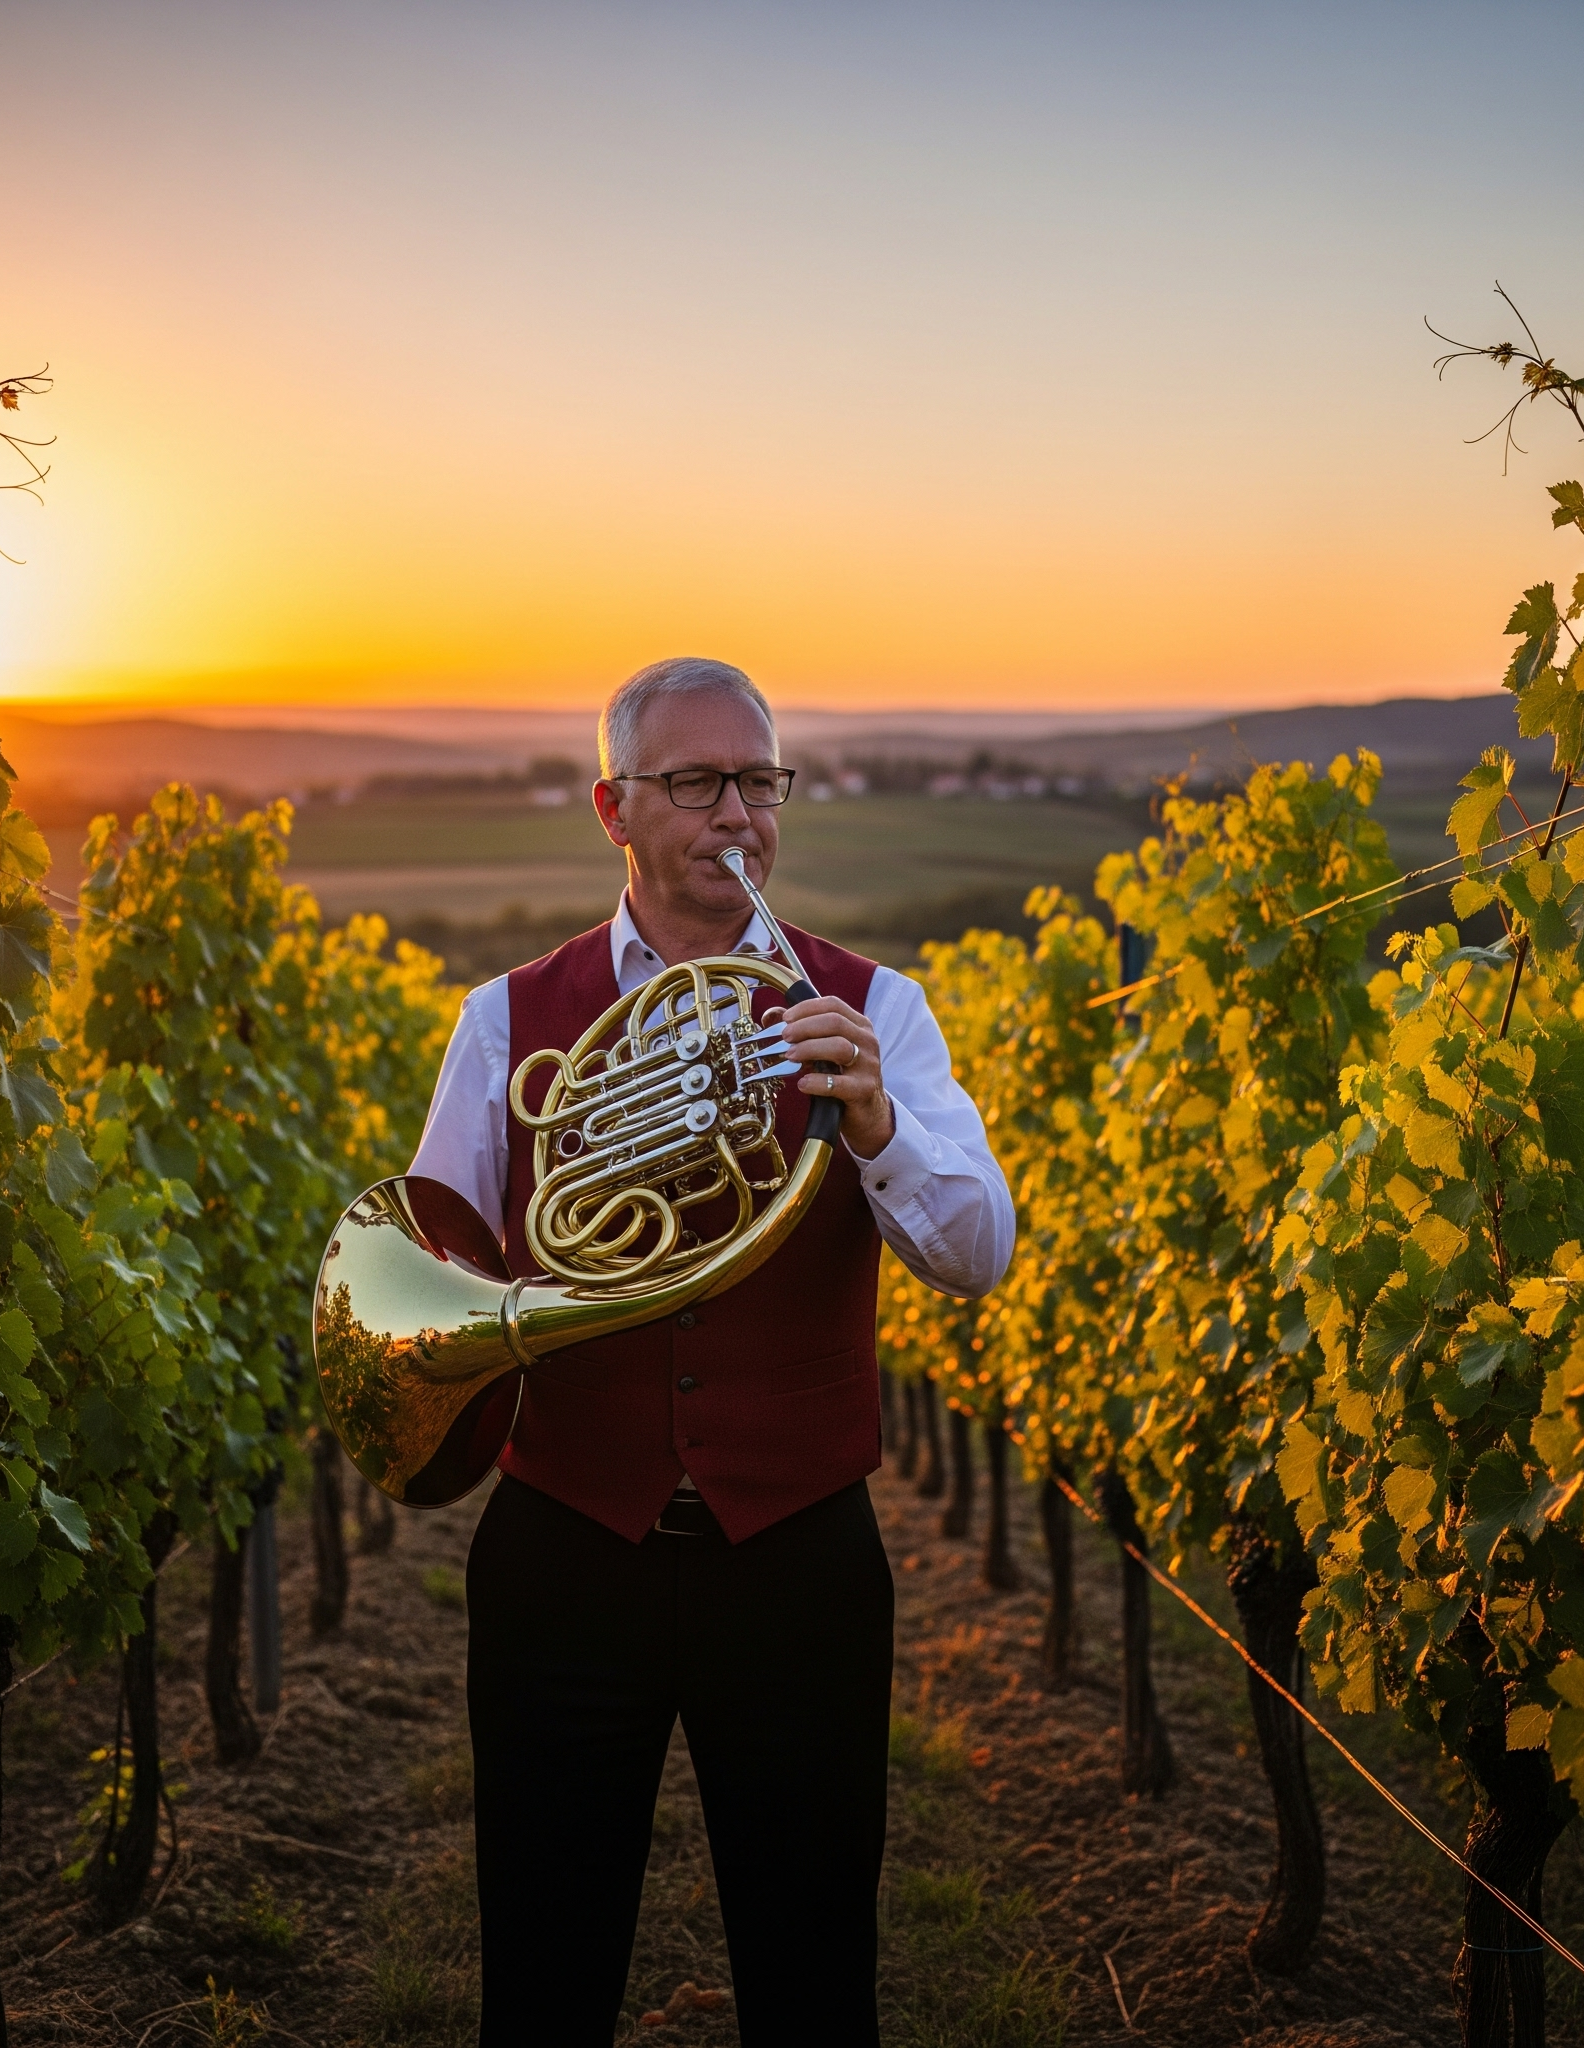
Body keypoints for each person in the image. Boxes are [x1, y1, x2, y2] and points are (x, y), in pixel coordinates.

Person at [408, 656, 1014, 2045]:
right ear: (612, 808)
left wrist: (878, 1128)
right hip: (568, 1550)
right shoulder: (507, 1020)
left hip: (798, 1557)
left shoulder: (878, 1009)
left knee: (815, 1976)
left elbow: (978, 1251)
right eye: (693, 783)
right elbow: (439, 1272)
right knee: (544, 1976)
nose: (735, 813)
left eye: (758, 781)